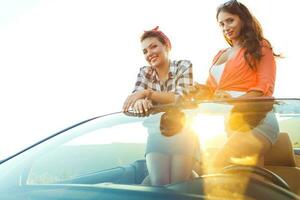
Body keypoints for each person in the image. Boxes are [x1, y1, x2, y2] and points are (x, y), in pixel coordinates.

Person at [203, 0, 280, 169]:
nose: (225, 27)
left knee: (217, 164)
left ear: (243, 20)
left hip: (258, 119)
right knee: (248, 178)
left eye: (230, 21)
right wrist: (195, 91)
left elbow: (264, 88)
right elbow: (209, 90)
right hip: (232, 122)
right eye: (221, 24)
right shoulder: (219, 55)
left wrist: (230, 102)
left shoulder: (261, 46)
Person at [123, 27, 200, 185]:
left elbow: (180, 98)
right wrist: (141, 101)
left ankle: (196, 180)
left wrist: (148, 94)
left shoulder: (184, 65)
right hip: (156, 134)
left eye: (153, 46)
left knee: (178, 183)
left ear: (166, 46)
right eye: (145, 51)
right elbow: (135, 97)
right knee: (159, 181)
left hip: (183, 133)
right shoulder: (144, 72)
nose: (149, 53)